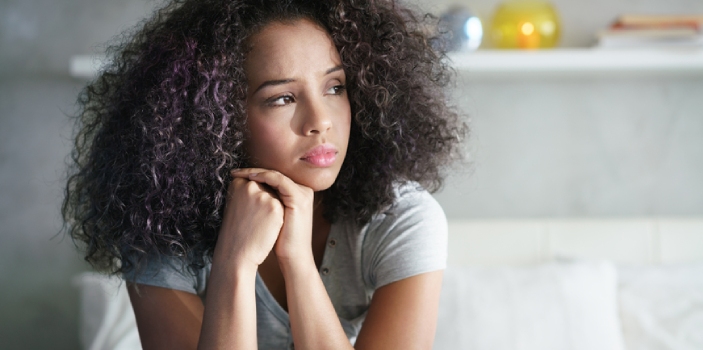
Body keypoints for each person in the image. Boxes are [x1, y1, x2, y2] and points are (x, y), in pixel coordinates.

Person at [62, 0, 465, 348]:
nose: (320, 121)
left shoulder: (402, 218)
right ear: (214, 118)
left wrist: (298, 261)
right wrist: (234, 262)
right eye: (283, 98)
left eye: (334, 87)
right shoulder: (158, 226)